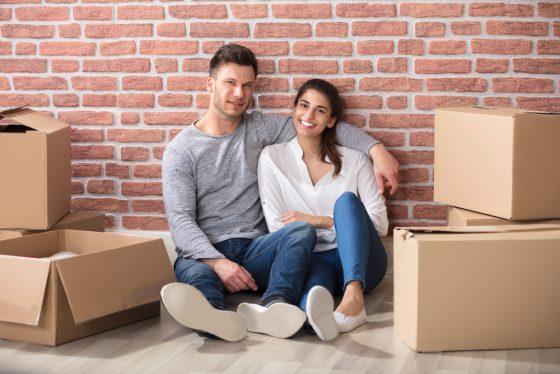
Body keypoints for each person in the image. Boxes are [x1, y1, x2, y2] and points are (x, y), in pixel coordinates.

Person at [161, 44, 398, 342]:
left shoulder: (260, 127)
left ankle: (274, 305)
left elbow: (319, 127)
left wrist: (377, 150)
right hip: (204, 252)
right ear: (210, 84)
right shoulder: (181, 150)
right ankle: (215, 318)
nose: (239, 93)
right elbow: (180, 221)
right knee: (199, 278)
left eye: (247, 85)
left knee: (300, 231)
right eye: (230, 83)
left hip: (255, 249)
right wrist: (217, 262)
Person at [257, 79, 389, 341]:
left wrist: (319, 221)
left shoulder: (356, 160)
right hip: (313, 258)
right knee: (314, 293)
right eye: (303, 106)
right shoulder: (272, 158)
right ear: (294, 109)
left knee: (347, 202)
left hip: (362, 261)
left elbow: (380, 224)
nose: (308, 115)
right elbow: (276, 226)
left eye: (319, 110)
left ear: (331, 121)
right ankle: (309, 320)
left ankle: (354, 298)